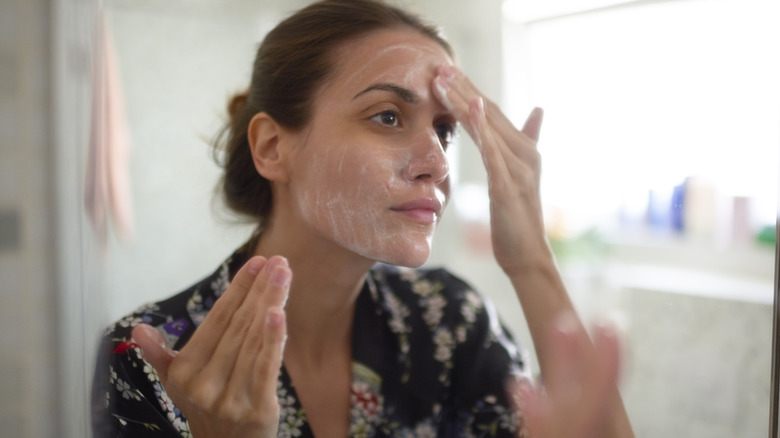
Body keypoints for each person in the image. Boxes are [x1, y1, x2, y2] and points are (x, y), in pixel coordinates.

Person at [91, 1, 634, 437]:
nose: (439, 163)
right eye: (389, 116)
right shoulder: (152, 360)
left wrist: (530, 258)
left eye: (445, 129)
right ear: (273, 147)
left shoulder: (451, 321)